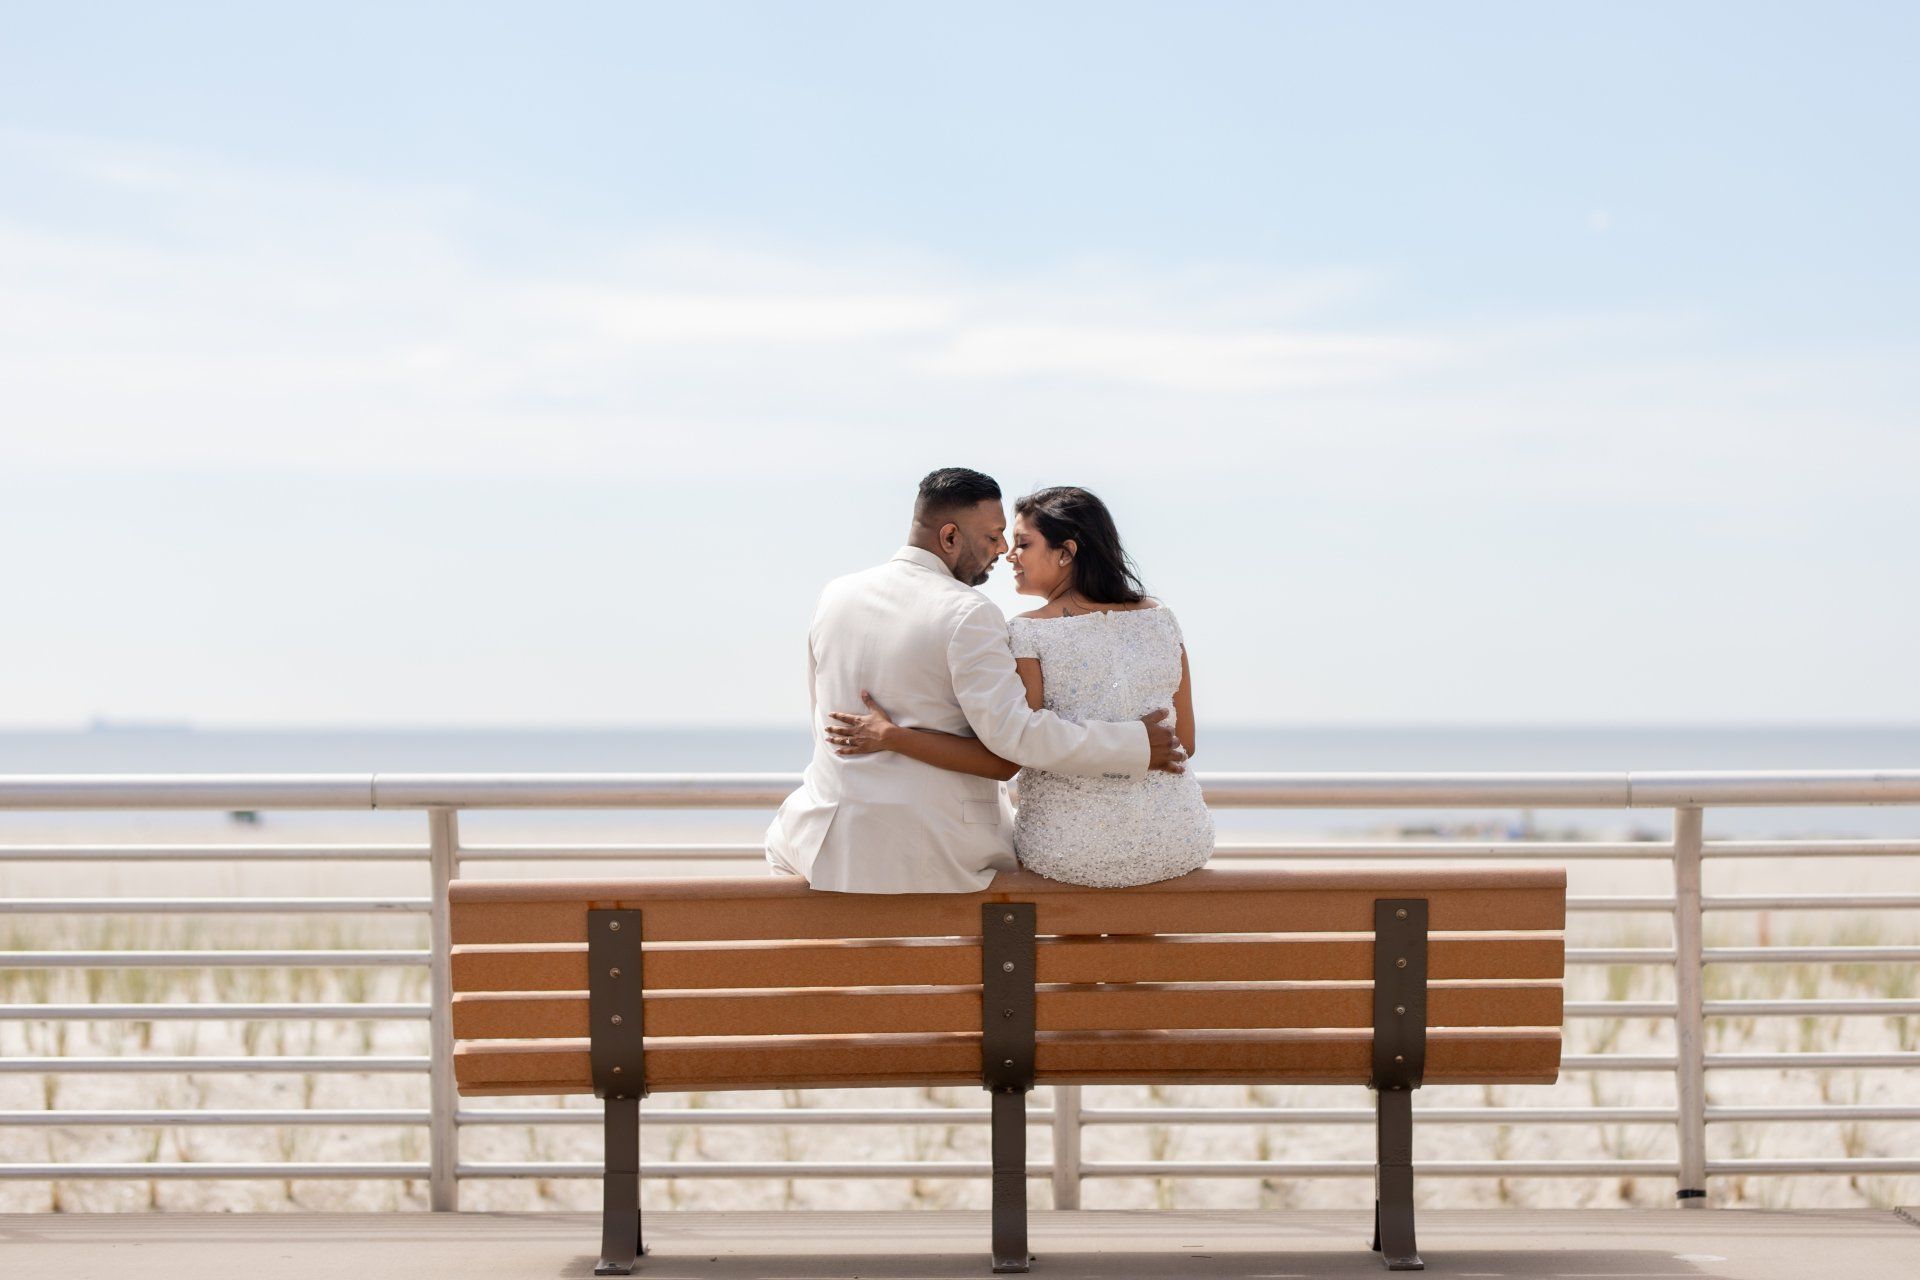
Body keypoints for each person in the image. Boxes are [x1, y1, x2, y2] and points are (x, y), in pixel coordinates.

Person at [765, 468, 1186, 893]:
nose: (1002, 550)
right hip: (936, 854)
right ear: (950, 538)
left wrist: (895, 736)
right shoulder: (967, 611)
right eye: (993, 536)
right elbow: (1012, 738)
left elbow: (822, 713)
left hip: (822, 842)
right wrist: (1132, 744)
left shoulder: (836, 595)